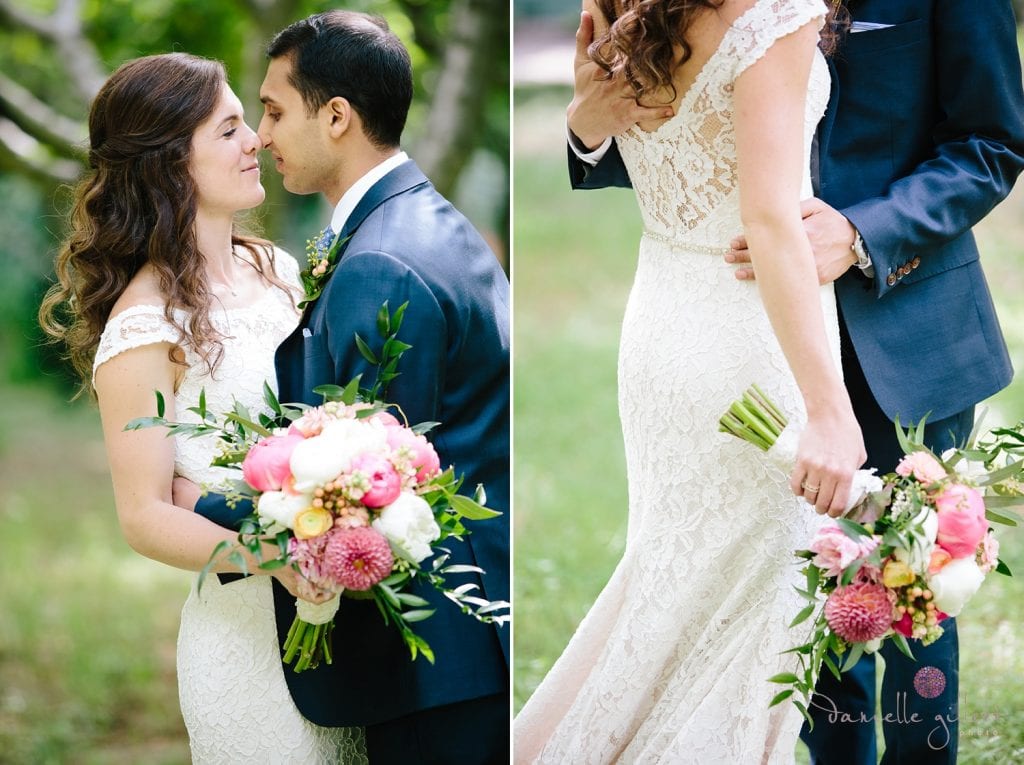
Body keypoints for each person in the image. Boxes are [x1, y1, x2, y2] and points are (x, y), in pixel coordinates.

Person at [565, 2, 1024, 762]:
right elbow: (671, 125)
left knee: (913, 600)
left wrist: (863, 233)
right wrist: (586, 127)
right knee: (799, 617)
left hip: (907, 326)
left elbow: (992, 142)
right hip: (748, 339)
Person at [514, 0, 866, 761]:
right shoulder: (776, 13)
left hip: (662, 328)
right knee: (751, 614)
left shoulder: (639, 10)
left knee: (676, 591)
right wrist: (829, 411)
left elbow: (610, 123)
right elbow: (769, 220)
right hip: (743, 336)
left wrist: (584, 111)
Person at [174, 11, 511, 764]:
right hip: (466, 648)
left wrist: (195, 498)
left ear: (336, 117)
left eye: (272, 110)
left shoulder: (381, 262)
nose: (260, 136)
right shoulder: (424, 224)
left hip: (436, 667)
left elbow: (359, 487)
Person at [38, 53, 367, 762]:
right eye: (228, 130)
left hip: (348, 648)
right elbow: (144, 514)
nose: (256, 140)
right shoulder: (144, 326)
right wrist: (275, 554)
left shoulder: (278, 270)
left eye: (248, 123)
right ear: (167, 164)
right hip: (243, 648)